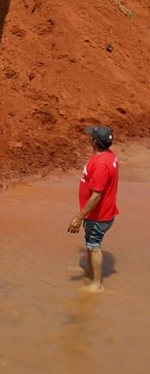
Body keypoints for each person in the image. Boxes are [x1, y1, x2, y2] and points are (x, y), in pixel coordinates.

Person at [68, 124, 119, 292]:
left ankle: (98, 284)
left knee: (94, 246)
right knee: (89, 242)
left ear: (94, 141)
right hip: (98, 213)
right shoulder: (109, 156)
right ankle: (88, 271)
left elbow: (96, 195)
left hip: (99, 215)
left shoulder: (100, 165)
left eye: (92, 136)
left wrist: (79, 217)